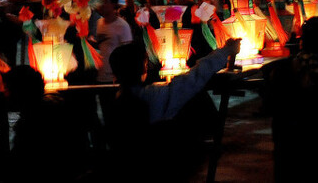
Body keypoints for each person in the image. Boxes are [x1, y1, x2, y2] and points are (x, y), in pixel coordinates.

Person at [102, 38, 241, 181]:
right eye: (146, 63)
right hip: (157, 164)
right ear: (144, 67)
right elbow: (195, 77)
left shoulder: (116, 101)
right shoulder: (155, 96)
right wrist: (226, 51)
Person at [266, 17, 318, 182]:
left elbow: (274, 109)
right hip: (316, 139)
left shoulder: (283, 69)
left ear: (302, 40)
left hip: (290, 143)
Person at [91, 0, 133, 84]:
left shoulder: (122, 26)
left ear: (114, 4)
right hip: (101, 76)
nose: (101, 5)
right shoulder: (99, 23)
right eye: (100, 2)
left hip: (115, 78)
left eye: (105, 2)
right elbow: (102, 46)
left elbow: (128, 53)